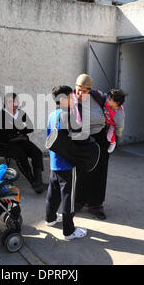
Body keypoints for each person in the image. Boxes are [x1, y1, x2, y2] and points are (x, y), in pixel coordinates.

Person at [45, 85, 87, 240]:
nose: (73, 100)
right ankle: (69, 231)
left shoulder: (52, 115)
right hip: (67, 164)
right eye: (71, 97)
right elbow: (76, 138)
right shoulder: (67, 116)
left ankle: (50, 219)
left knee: (53, 191)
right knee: (68, 196)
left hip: (54, 161)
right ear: (62, 99)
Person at [0, 93, 48, 194]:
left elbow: (30, 127)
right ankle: (33, 183)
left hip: (21, 141)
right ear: (5, 103)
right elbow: (2, 135)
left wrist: (18, 132)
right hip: (6, 145)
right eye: (10, 102)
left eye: (15, 101)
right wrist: (20, 130)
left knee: (37, 152)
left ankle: (39, 181)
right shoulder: (0, 115)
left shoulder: (20, 113)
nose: (14, 104)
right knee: (21, 156)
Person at [72, 74, 110, 220]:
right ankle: (78, 201)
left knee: (100, 172)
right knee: (83, 170)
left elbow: (113, 104)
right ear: (75, 86)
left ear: (90, 89)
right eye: (79, 89)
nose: (81, 93)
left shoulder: (97, 96)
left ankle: (96, 204)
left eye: (85, 90)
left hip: (100, 137)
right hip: (82, 138)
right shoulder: (71, 99)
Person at [103, 89, 126, 153]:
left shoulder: (119, 115)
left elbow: (121, 125)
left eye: (109, 99)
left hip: (113, 124)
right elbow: (104, 95)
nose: (107, 99)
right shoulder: (107, 102)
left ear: (116, 103)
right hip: (107, 120)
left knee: (109, 136)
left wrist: (119, 133)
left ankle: (113, 143)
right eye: (107, 97)